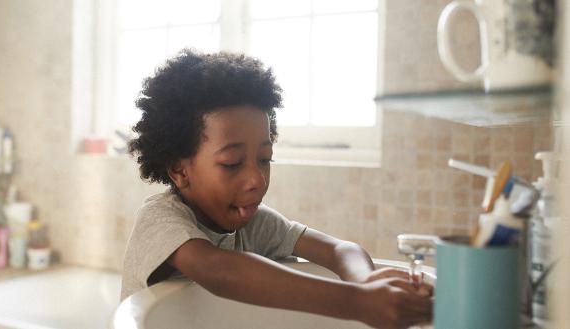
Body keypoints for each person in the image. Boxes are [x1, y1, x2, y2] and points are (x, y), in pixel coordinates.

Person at [121, 49, 432, 329]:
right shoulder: (160, 220)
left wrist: (366, 282)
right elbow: (220, 271)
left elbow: (340, 250)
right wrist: (358, 301)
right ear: (179, 169)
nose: (256, 179)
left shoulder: (256, 224)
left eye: (264, 159)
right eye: (232, 163)